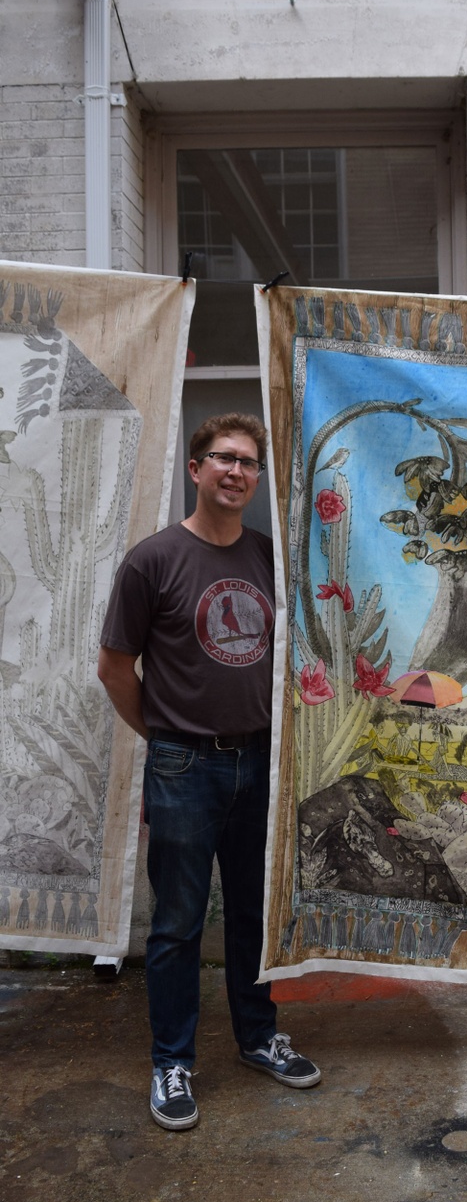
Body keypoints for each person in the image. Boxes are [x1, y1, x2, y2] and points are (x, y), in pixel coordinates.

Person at [98, 413, 320, 1131]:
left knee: (255, 916)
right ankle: (172, 1062)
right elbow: (114, 667)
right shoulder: (152, 560)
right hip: (183, 763)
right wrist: (165, 736)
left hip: (259, 760)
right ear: (195, 470)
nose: (236, 471)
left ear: (257, 479)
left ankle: (258, 1037)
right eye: (223, 458)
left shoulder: (267, 557)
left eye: (249, 463)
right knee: (177, 923)